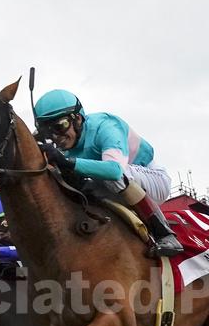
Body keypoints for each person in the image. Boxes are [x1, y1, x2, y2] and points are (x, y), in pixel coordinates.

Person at [33, 89, 183, 256]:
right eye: (47, 131)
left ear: (78, 119)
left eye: (60, 126)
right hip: (117, 187)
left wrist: (66, 161)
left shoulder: (106, 126)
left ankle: (165, 234)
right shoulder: (64, 139)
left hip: (153, 180)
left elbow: (115, 171)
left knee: (111, 176)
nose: (55, 136)